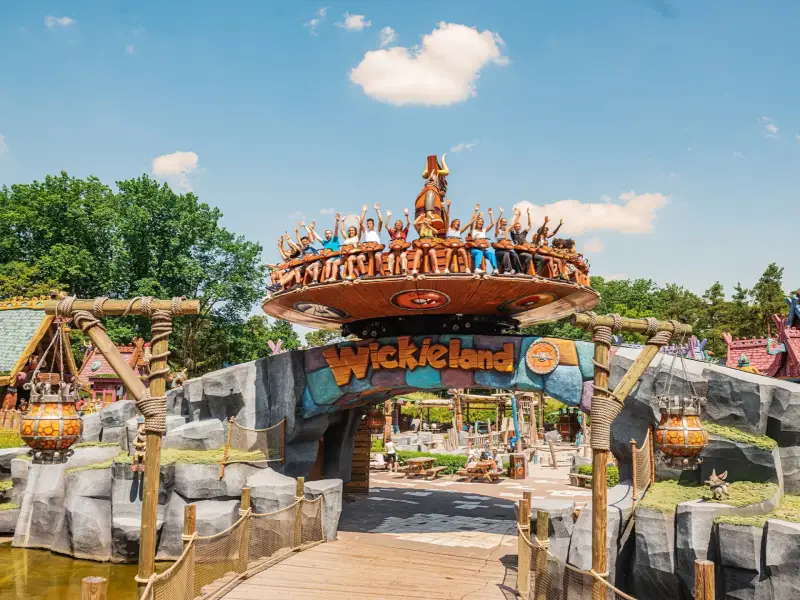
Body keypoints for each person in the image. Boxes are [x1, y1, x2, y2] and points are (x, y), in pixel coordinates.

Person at [442, 199, 471, 273]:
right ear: (453, 223)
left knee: (462, 251)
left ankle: (467, 268)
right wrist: (447, 207)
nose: (459, 223)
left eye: (459, 223)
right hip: (449, 246)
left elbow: (468, 225)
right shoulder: (448, 229)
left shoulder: (459, 231)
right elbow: (447, 217)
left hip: (457, 246)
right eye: (457, 222)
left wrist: (475, 216)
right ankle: (446, 268)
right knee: (449, 251)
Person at [412, 210, 442, 274]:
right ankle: (414, 269)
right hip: (422, 246)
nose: (427, 222)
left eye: (429, 221)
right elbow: (414, 223)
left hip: (430, 245)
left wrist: (429, 226)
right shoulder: (420, 229)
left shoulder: (431, 229)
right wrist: (420, 216)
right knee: (418, 252)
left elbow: (436, 232)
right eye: (426, 220)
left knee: (432, 252)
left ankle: (436, 269)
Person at [469, 208, 498, 273]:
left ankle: (495, 269)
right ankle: (477, 268)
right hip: (475, 249)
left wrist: (491, 214)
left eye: (482, 222)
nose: (480, 223)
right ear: (476, 223)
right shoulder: (473, 231)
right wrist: (475, 211)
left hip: (483, 249)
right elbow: (471, 222)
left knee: (491, 253)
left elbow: (493, 224)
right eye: (479, 221)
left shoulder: (483, 231)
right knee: (479, 252)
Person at [509, 207, 537, 275]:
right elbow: (511, 225)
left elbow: (530, 225)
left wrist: (528, 214)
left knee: (540, 258)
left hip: (527, 251)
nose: (518, 227)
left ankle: (537, 273)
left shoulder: (523, 234)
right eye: (516, 226)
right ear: (514, 228)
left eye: (519, 226)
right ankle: (525, 272)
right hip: (519, 253)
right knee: (528, 256)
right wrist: (515, 215)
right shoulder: (513, 234)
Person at [493, 208, 521, 274]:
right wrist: (501, 213)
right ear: (501, 223)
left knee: (514, 254)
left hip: (507, 249)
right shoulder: (498, 231)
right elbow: (496, 223)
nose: (505, 222)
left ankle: (518, 271)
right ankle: (507, 270)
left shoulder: (507, 230)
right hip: (499, 251)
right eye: (503, 221)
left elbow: (514, 223)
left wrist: (518, 215)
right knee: (506, 253)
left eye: (505, 221)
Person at [385, 208, 411, 275]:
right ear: (395, 225)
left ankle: (404, 271)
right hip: (394, 250)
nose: (398, 225)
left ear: (401, 225)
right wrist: (388, 216)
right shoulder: (393, 233)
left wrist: (407, 215)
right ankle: (390, 272)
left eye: (400, 224)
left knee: (403, 256)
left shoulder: (404, 232)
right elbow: (386, 225)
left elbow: (409, 223)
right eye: (397, 224)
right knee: (390, 257)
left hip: (402, 249)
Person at [319, 213, 343, 281]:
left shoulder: (335, 240)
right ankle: (335, 277)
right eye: (326, 234)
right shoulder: (325, 243)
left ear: (331, 234)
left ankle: (327, 278)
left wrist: (337, 221)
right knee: (325, 262)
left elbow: (336, 230)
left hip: (336, 257)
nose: (327, 235)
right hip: (328, 258)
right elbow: (318, 237)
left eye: (329, 233)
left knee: (328, 262)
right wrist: (310, 229)